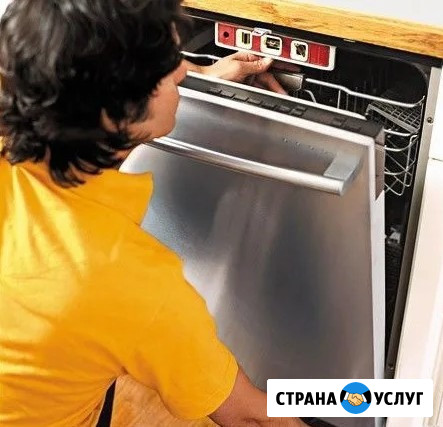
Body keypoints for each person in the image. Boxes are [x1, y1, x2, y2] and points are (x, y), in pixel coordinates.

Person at [0, 1, 306, 426]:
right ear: (121, 112)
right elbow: (251, 417)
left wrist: (207, 75)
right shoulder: (131, 285)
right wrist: (389, 401)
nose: (181, 72)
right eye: (168, 67)